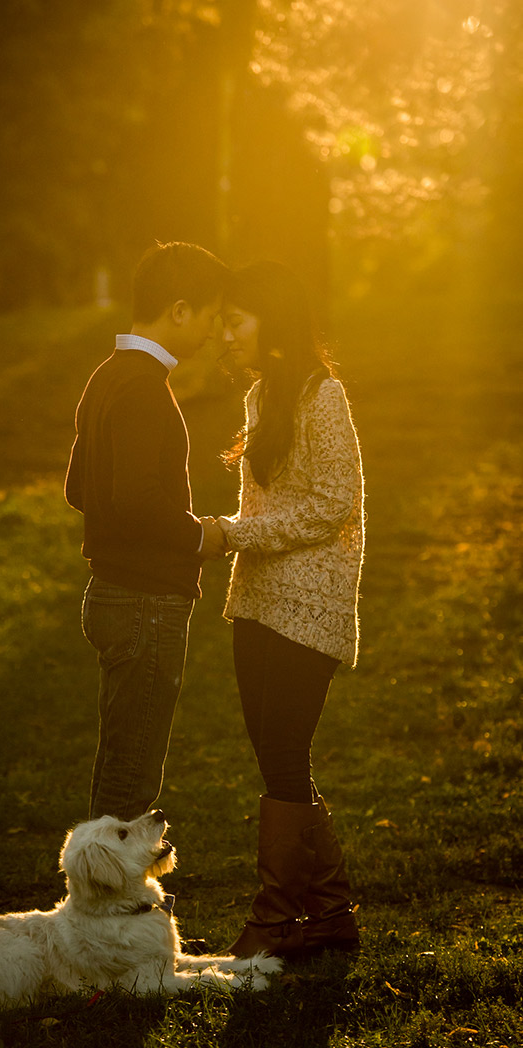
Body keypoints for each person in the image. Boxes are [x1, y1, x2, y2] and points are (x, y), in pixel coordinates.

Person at [215, 261, 365, 958]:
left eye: (235, 319)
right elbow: (264, 507)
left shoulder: (322, 395)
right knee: (280, 757)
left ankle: (275, 919)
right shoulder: (260, 395)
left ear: (271, 323)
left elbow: (335, 503)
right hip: (258, 597)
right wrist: (223, 537)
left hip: (311, 603)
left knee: (282, 752)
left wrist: (230, 535)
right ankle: (330, 912)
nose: (224, 333)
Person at [65, 241, 228, 822]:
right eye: (210, 316)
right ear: (179, 310)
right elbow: (133, 499)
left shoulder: (107, 376)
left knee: (120, 762)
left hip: (113, 594)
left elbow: (78, 490)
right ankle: (109, 906)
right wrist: (197, 537)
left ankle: (101, 898)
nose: (212, 332)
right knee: (132, 779)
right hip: (144, 603)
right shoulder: (142, 388)